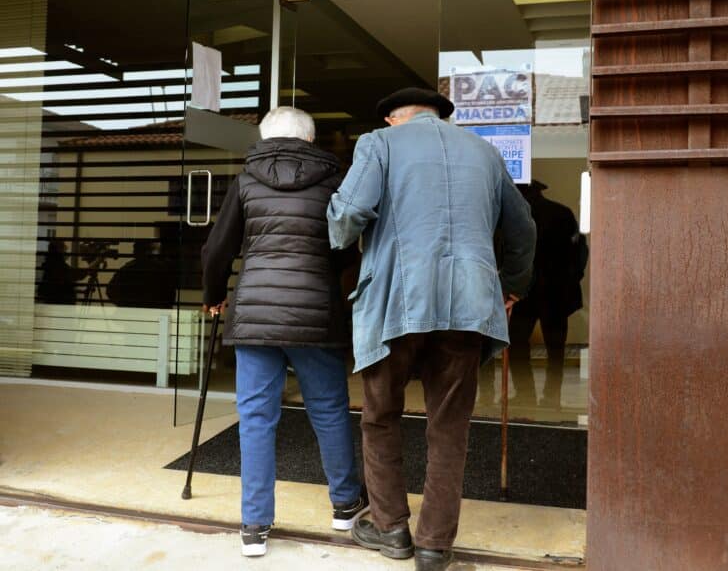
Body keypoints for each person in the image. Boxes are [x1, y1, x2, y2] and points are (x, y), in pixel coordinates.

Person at [327, 87, 536, 571]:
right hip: (469, 303)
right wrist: (511, 288)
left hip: (396, 302)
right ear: (441, 117)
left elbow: (349, 214)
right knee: (449, 426)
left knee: (381, 415)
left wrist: (338, 231)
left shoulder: (379, 144)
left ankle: (391, 529)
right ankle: (434, 546)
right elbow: (523, 228)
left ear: (393, 119)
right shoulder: (483, 152)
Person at [201, 106, 367, 558]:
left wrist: (214, 295)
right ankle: (345, 505)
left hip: (255, 312)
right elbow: (344, 247)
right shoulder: (336, 180)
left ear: (265, 137)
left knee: (256, 416)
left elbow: (218, 247)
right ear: (310, 140)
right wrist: (324, 272)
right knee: (329, 410)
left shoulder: (247, 179)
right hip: (314, 312)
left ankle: (254, 525)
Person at [508, 180, 588, 411]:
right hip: (556, 292)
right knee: (556, 350)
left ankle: (526, 394)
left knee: (517, 345)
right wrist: (572, 278)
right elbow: (580, 251)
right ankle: (551, 397)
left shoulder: (517, 218)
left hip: (525, 293)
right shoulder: (561, 213)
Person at [106, 239, 176, 308]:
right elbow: (170, 298)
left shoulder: (127, 269)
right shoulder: (162, 270)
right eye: (156, 250)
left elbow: (111, 292)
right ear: (149, 251)